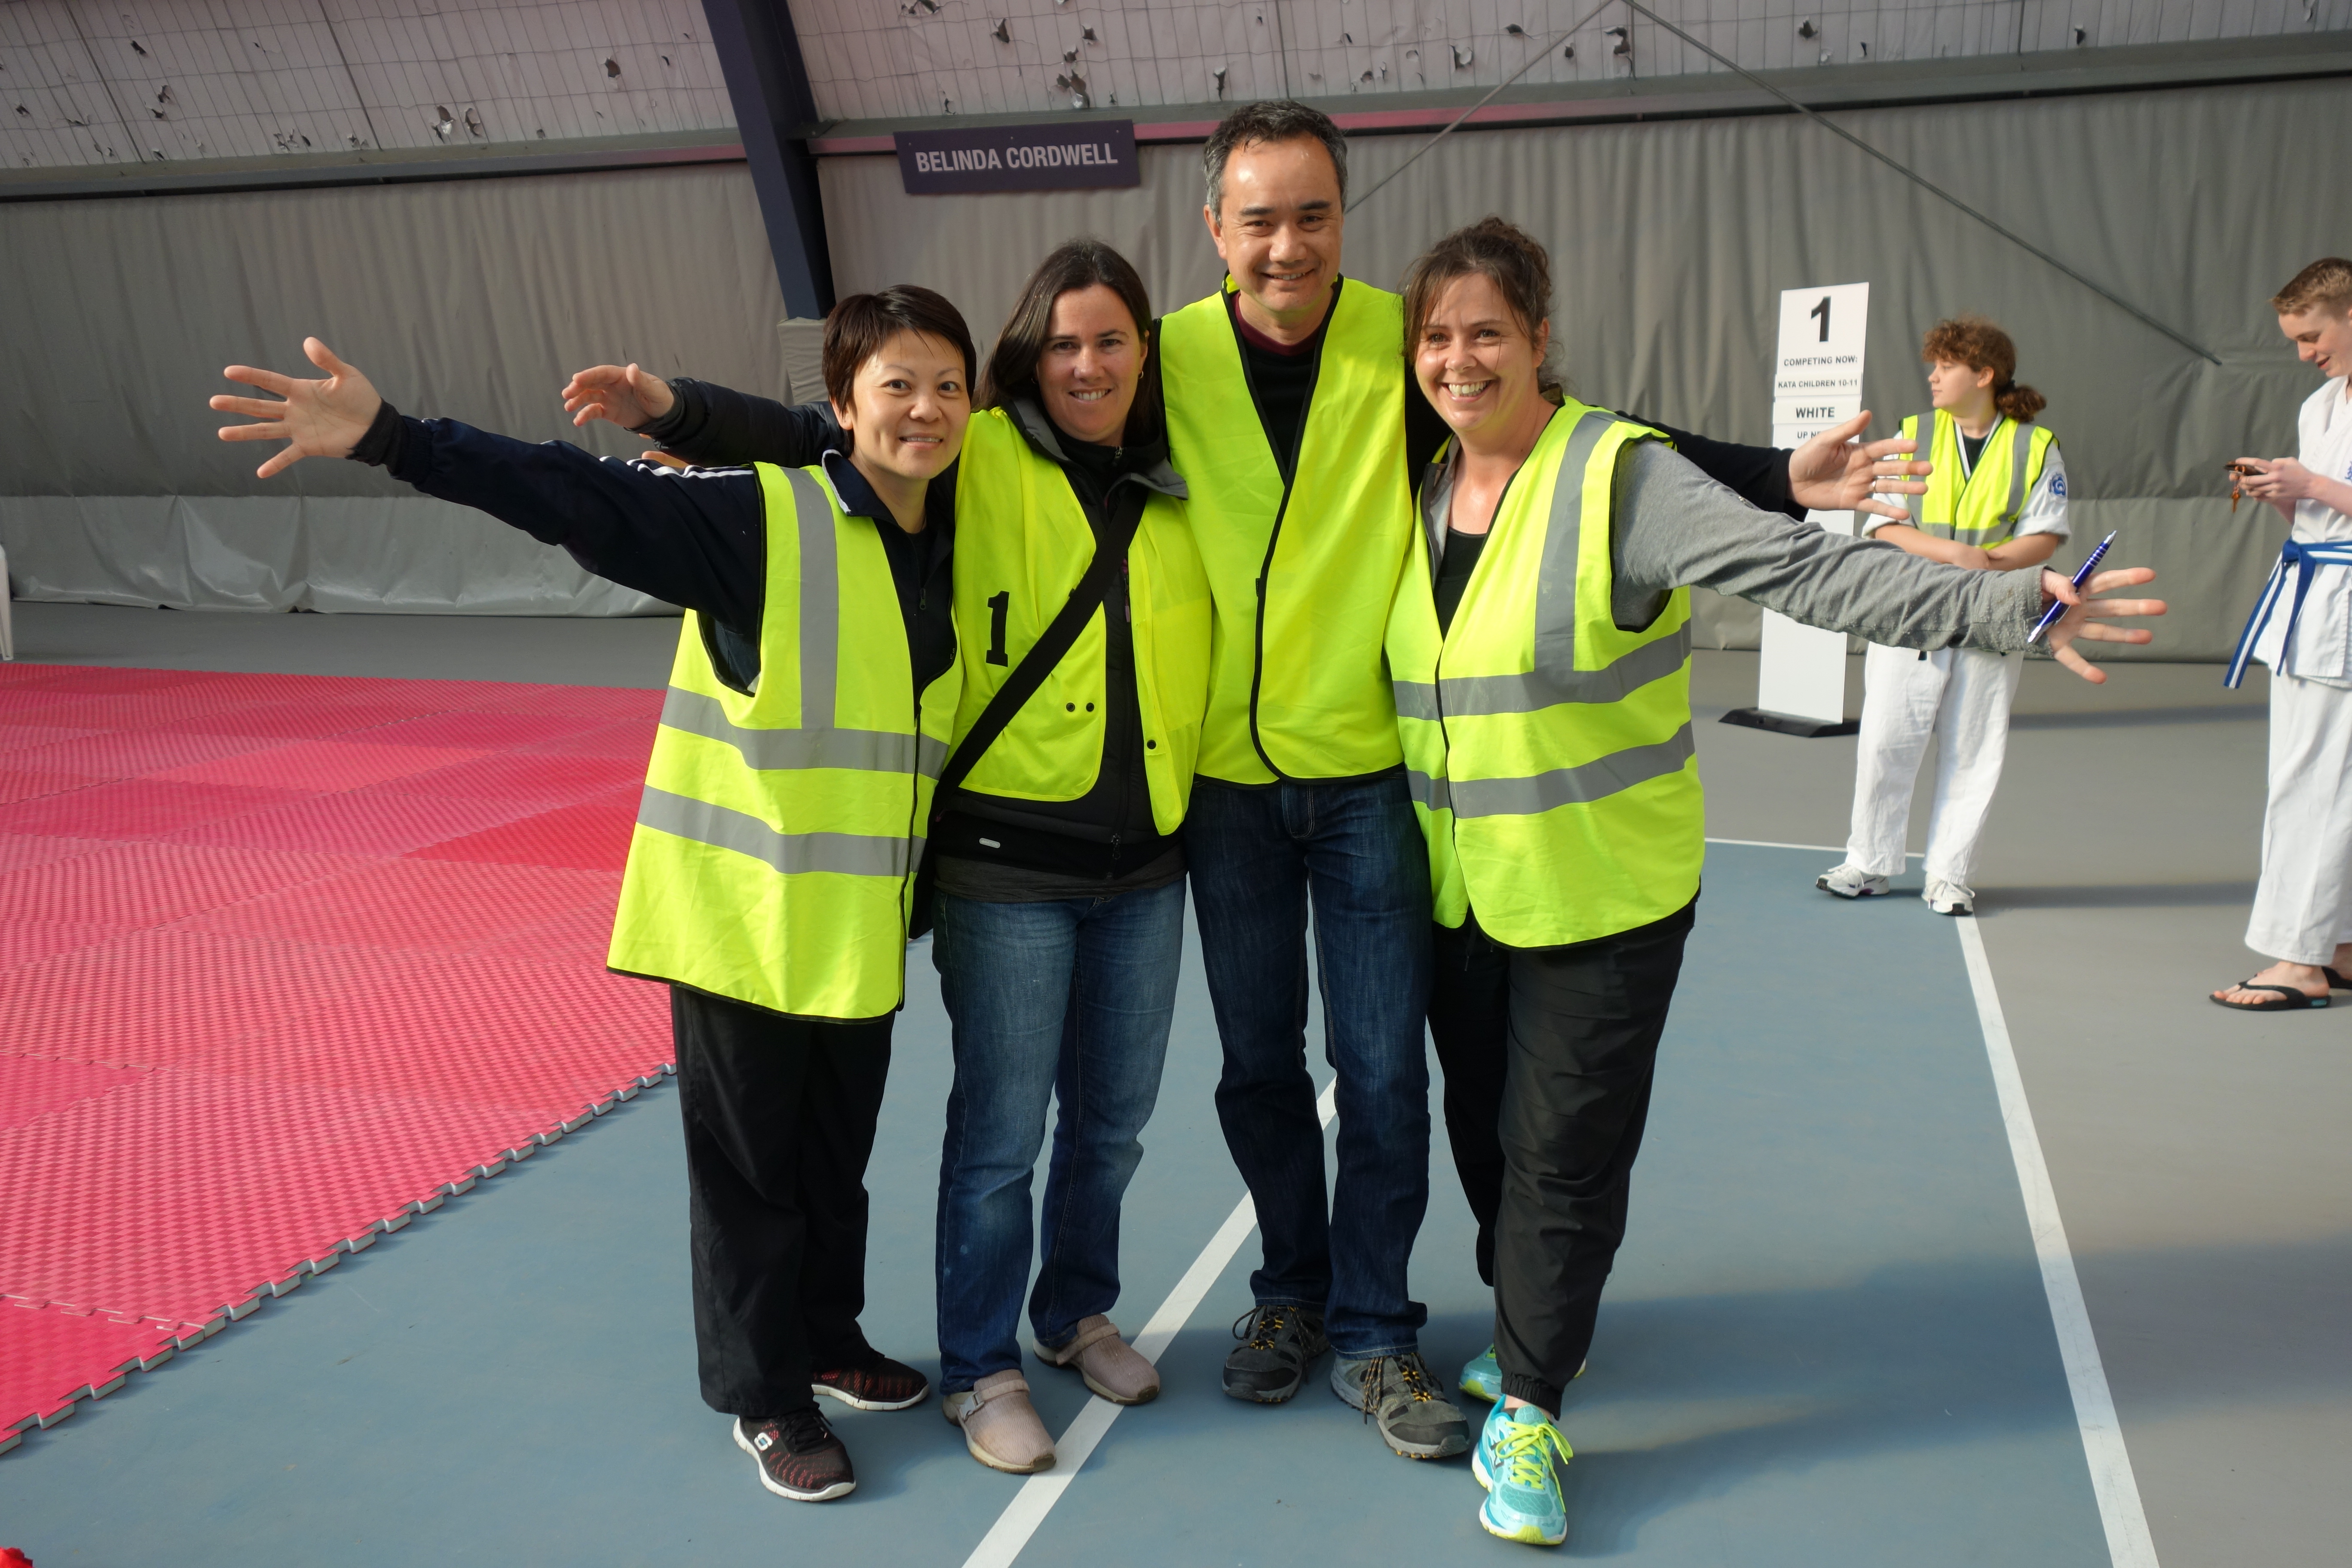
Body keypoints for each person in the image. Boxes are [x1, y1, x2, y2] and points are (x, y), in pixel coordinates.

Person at [1164, 98, 1939, 1461]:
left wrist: (1773, 477)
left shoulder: (1407, 335)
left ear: (1345, 218)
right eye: (1259, 219)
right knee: (1256, 1068)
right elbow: (1001, 422)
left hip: (1371, 775)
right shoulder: (1160, 355)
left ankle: (1376, 1327)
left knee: (1382, 1073)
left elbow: (1587, 434)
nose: (1287, 245)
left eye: (1314, 215)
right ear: (1215, 226)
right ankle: (1291, 1292)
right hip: (1226, 781)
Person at [1384, 218, 2163, 1546]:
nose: (1461, 360)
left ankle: (1530, 1402)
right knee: (1488, 1140)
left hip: (1604, 894)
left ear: (1540, 338)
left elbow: (1811, 570)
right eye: (1438, 338)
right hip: (1464, 894)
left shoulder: (1622, 478)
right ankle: (1534, 1323)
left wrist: (2007, 608)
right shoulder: (1416, 484)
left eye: (1488, 333)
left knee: (1564, 1155)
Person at [207, 288, 977, 1504]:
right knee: (751, 1181)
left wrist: (690, 406)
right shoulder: (757, 520)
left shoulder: (952, 534)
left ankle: (827, 1341)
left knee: (836, 1164)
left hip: (855, 930)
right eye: (897, 385)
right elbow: (573, 494)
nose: (924, 409)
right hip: (739, 923)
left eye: (948, 386)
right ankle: (765, 1396)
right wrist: (393, 438)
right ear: (843, 406)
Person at [562, 240, 1213, 1473]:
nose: (1086, 365)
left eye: (1111, 341)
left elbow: (865, 414)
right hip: (958, 872)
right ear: (1025, 361)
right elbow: (830, 428)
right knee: (989, 1137)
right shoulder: (980, 459)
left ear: (1146, 355)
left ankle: (1051, 1315)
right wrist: (678, 410)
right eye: (1062, 344)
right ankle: (948, 1371)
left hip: (1106, 874)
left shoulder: (1178, 488)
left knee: (1092, 1129)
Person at [1815, 317, 2070, 916]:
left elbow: (2046, 535)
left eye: (1946, 366)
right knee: (1886, 739)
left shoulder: (2036, 446)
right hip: (1913, 606)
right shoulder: (1913, 434)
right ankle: (1869, 863)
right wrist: (1955, 555)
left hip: (1993, 611)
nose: (1933, 376)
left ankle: (1950, 876)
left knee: (1975, 747)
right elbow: (1885, 524)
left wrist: (1987, 563)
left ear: (1984, 375)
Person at [2212, 257, 2352, 1012]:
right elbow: (2317, 519)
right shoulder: (2321, 406)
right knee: (2314, 779)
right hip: (2309, 601)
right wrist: (2277, 492)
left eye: (2312, 335)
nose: (2304, 353)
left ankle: (2299, 962)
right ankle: (2339, 945)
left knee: (2318, 785)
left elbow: (2328, 498)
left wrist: (2313, 484)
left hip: (2345, 615)